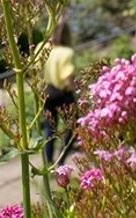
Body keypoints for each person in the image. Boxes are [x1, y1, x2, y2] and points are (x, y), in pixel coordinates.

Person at [41, 20, 77, 164]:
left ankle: (48, 161)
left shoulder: (43, 48)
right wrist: (77, 91)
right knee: (73, 127)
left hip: (46, 92)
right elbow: (68, 79)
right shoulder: (67, 52)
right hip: (62, 93)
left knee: (50, 128)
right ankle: (61, 158)